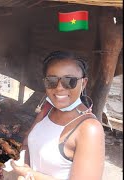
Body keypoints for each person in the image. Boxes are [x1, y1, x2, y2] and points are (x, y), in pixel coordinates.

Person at [11, 51, 105, 180]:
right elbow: (27, 143)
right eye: (51, 80)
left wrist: (28, 174)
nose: (59, 88)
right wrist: (24, 164)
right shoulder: (48, 109)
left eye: (69, 81)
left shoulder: (89, 129)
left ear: (83, 83)